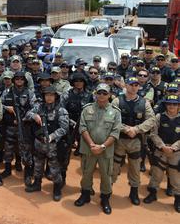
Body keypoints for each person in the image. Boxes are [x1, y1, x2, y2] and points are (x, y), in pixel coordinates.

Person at [74, 83, 121, 215]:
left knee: (106, 176)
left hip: (106, 150)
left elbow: (115, 132)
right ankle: (85, 195)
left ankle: (105, 199)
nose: (101, 95)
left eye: (104, 93)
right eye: (99, 93)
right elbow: (82, 128)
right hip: (88, 149)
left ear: (109, 95)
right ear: (95, 94)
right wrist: (91, 145)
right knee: (86, 173)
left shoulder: (115, 112)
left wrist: (102, 146)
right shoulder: (87, 109)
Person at [111, 77, 155, 205]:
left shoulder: (144, 103)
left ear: (139, 87)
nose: (133, 87)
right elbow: (111, 118)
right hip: (119, 139)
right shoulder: (117, 100)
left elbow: (151, 120)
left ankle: (134, 192)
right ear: (126, 86)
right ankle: (107, 191)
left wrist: (136, 129)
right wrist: (125, 129)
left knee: (135, 167)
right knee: (114, 166)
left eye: (136, 85)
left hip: (136, 141)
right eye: (131, 85)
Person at [24, 86, 69, 201]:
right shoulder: (39, 107)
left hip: (53, 145)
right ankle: (37, 184)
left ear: (55, 97)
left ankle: (57, 189)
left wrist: (52, 136)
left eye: (51, 95)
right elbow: (27, 114)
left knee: (54, 169)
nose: (49, 97)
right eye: (47, 95)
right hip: (39, 143)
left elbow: (64, 128)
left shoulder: (61, 110)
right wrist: (34, 115)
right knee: (38, 165)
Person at [143, 94, 180, 213]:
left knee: (175, 177)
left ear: (178, 105)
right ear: (165, 105)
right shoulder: (159, 117)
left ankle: (178, 200)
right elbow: (153, 134)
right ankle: (152, 194)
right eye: (169, 104)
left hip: (176, 153)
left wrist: (174, 148)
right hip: (161, 151)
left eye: (174, 104)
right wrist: (162, 146)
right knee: (157, 174)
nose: (172, 106)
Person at [1, 71, 35, 185]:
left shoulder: (29, 92)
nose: (19, 81)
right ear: (14, 80)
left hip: (24, 126)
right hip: (10, 125)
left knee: (26, 150)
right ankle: (7, 169)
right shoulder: (7, 92)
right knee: (8, 148)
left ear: (24, 81)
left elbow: (35, 107)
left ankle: (27, 174)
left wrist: (26, 117)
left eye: (21, 79)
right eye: (17, 79)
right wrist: (7, 108)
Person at [61, 73, 94, 157]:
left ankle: (81, 146)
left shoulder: (90, 95)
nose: (78, 83)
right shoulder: (67, 94)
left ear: (84, 83)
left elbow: (94, 110)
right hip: (68, 120)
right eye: (76, 81)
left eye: (81, 81)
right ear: (73, 83)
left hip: (85, 122)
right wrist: (70, 122)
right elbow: (61, 110)